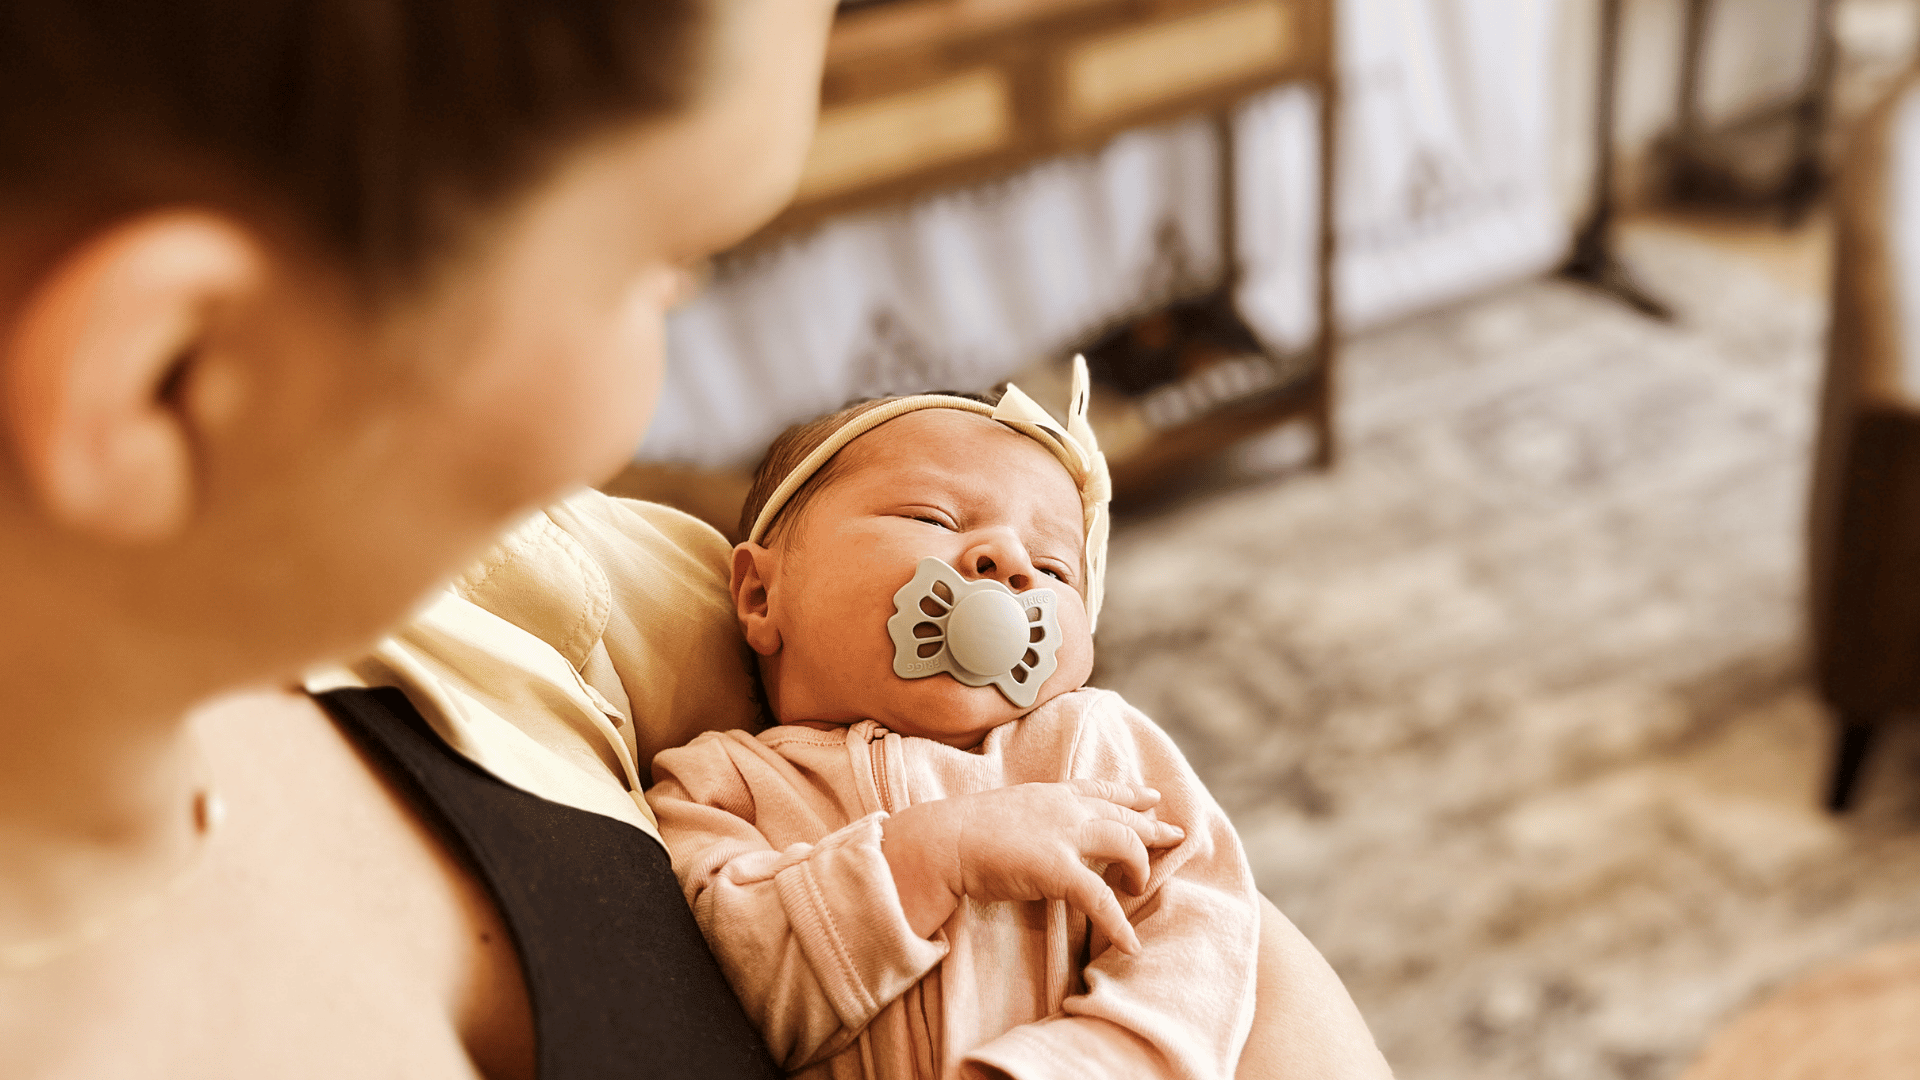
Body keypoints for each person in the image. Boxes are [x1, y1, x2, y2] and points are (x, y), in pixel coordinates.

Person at [0, 0, 1391, 1076]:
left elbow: (1205, 911)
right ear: (174, 379)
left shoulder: (499, 603)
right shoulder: (719, 771)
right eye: (658, 274)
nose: (642, 421)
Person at [646, 365, 1263, 1079]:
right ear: (760, 593)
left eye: (1055, 567)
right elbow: (722, 996)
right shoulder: (718, 787)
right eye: (931, 519)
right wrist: (926, 859)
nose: (1008, 562)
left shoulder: (1094, 746)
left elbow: (1202, 933)